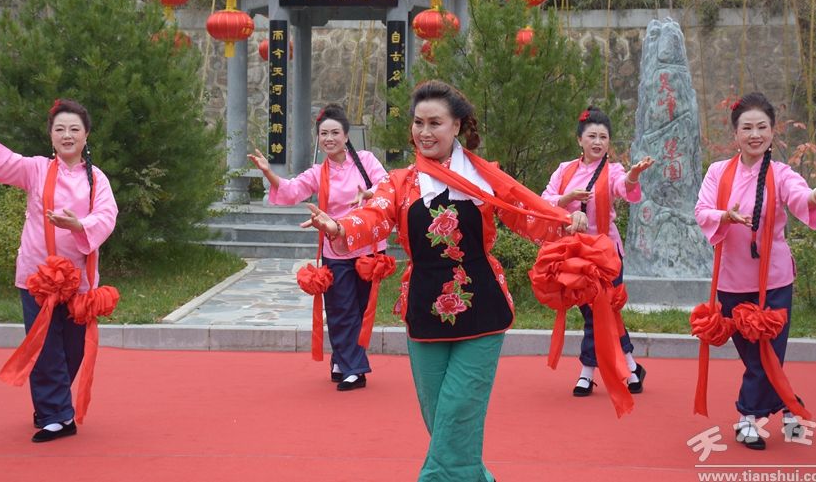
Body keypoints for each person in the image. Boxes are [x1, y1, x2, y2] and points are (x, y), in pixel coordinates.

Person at [301, 80, 587, 481]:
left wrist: (565, 220)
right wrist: (338, 227)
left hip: (483, 309)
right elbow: (374, 215)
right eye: (419, 122)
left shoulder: (484, 177)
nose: (424, 132)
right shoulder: (400, 182)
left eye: (435, 123)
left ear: (457, 126)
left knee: (458, 412)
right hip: (423, 312)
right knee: (441, 419)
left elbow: (527, 211)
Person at [0, 93, 118, 443]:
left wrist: (78, 225)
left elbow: (107, 215)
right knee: (45, 346)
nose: (67, 135)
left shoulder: (97, 179)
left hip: (79, 281)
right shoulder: (36, 169)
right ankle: (57, 416)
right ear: (51, 135)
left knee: (73, 349)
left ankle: (53, 404)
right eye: (60, 129)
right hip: (39, 277)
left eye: (74, 129)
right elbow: (1, 161)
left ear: (86, 135)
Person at [694, 92, 816, 450]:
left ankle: (748, 416)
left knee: (768, 354)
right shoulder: (718, 172)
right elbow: (701, 211)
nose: (755, 134)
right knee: (754, 355)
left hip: (774, 280)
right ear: (735, 134)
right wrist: (725, 216)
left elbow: (799, 195)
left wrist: (814, 197)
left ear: (773, 132)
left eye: (762, 127)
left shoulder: (782, 173)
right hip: (732, 279)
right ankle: (790, 405)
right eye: (747, 128)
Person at [249, 103, 387, 391]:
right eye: (324, 134)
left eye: (335, 133)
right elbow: (290, 190)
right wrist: (269, 173)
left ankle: (342, 359)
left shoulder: (366, 161)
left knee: (360, 309)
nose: (329, 138)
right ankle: (353, 370)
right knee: (340, 308)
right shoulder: (317, 172)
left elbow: (387, 186)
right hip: (336, 249)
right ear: (318, 138)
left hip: (367, 247)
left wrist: (368, 193)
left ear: (346, 136)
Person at [541, 106, 654, 397]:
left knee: (601, 312)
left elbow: (625, 189)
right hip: (574, 255)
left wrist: (633, 175)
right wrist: (568, 198)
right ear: (579, 139)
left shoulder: (613, 171)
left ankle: (586, 373)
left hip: (606, 255)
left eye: (603, 137)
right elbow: (544, 201)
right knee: (597, 312)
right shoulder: (565, 170)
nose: (597, 142)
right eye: (592, 136)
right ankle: (631, 366)